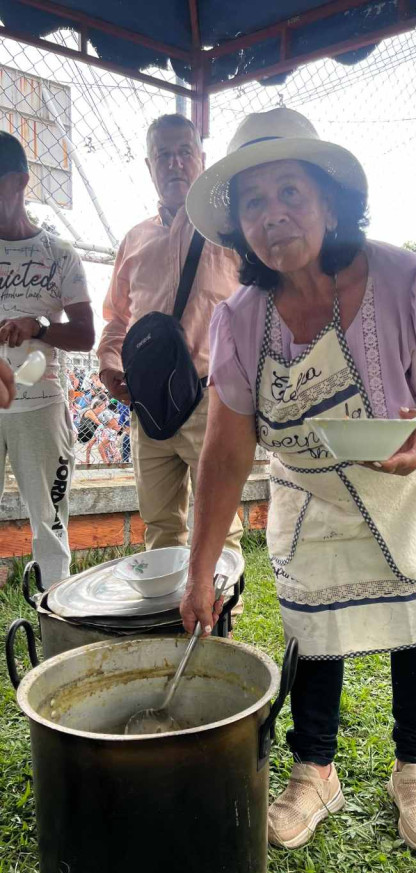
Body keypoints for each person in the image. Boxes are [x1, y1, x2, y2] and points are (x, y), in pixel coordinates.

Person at [180, 109, 416, 853]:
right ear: (239, 226)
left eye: (291, 193)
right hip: (312, 497)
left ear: (330, 202)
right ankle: (315, 772)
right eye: (253, 202)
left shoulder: (405, 279)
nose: (273, 216)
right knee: (312, 629)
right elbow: (224, 453)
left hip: (410, 488)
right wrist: (197, 574)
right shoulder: (241, 319)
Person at [98, 113, 242, 556]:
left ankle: (222, 623)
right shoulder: (134, 239)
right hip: (149, 407)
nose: (175, 164)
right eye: (164, 155)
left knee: (221, 525)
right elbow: (117, 318)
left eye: (184, 153)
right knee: (160, 525)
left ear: (201, 159)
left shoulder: (230, 234)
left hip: (211, 402)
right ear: (149, 165)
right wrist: (109, 362)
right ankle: (169, 621)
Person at [0, 131, 94, 586]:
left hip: (40, 406)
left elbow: (85, 334)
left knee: (50, 526)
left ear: (19, 182)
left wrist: (37, 326)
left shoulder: (58, 254)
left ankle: (57, 622)